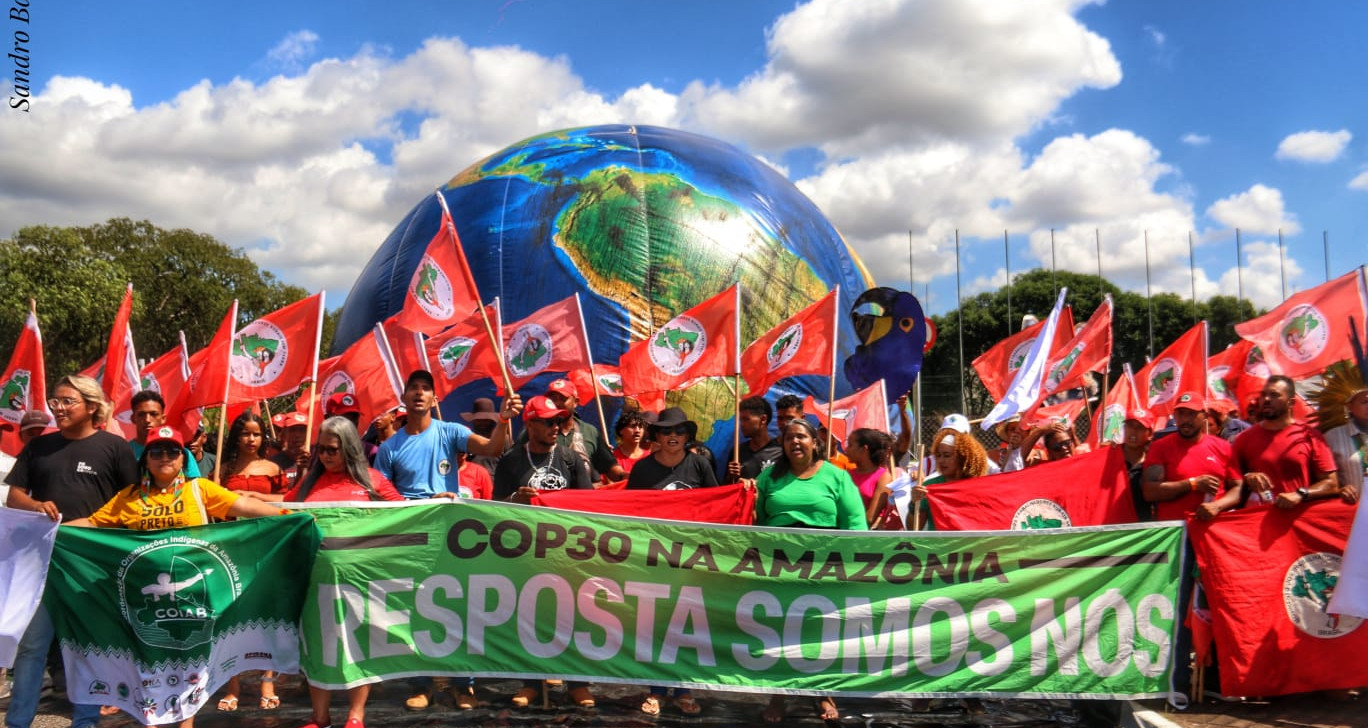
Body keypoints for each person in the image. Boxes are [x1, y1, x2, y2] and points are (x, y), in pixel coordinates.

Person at [63, 425, 281, 727]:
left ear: (182, 458)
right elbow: (93, 522)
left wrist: (286, 517)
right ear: (146, 459)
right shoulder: (129, 497)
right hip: (145, 601)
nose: (164, 456)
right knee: (151, 666)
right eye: (156, 451)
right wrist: (51, 532)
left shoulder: (199, 489)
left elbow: (242, 505)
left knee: (190, 666)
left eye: (172, 451)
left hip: (195, 598)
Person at [376, 369, 520, 710]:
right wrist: (422, 504)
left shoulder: (450, 431)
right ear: (404, 397)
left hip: (452, 538)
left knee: (458, 605)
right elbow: (379, 495)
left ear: (434, 399)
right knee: (416, 609)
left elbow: (493, 447)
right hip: (411, 536)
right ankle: (422, 684)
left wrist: (504, 419)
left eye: (426, 388)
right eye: (414, 388)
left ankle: (463, 685)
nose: (420, 393)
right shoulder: (389, 447)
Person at [3, 375, 140, 728]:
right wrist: (35, 506)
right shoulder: (38, 447)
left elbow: (133, 503)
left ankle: (85, 722)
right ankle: (18, 723)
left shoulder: (114, 447)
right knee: (32, 647)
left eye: (67, 401)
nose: (58, 408)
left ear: (91, 407)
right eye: (55, 401)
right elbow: (13, 495)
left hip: (90, 567)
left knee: (85, 649)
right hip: (41, 565)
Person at [281, 417, 402, 728]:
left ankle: (355, 716)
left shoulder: (373, 482)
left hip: (361, 582)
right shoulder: (308, 483)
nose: (325, 455)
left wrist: (438, 503)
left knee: (360, 642)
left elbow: (407, 514)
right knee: (317, 645)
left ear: (349, 448)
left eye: (332, 449)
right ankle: (319, 717)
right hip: (314, 581)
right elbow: (283, 512)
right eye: (321, 449)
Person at [754, 417, 866, 723]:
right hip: (781, 566)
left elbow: (855, 523)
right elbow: (759, 522)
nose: (795, 442)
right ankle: (779, 695)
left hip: (825, 566)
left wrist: (852, 565)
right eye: (789, 437)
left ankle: (823, 694)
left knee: (820, 630)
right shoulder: (769, 479)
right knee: (782, 630)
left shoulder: (836, 476)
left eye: (801, 437)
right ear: (783, 444)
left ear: (815, 442)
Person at [493, 395, 597, 709]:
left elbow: (590, 505)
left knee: (573, 616)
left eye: (558, 421)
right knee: (531, 616)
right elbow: (495, 508)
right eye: (549, 421)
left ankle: (577, 683)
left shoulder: (570, 459)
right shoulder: (511, 460)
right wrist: (516, 498)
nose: (556, 427)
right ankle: (532, 683)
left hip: (568, 552)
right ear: (531, 424)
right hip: (527, 552)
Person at [1232, 376, 1339, 509]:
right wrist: (1248, 477)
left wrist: (1301, 494)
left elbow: (1331, 483)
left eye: (1274, 395)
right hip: (1257, 523)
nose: (1266, 399)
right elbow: (1230, 484)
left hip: (1298, 521)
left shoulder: (1310, 436)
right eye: (1263, 394)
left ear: (1291, 402)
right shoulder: (1244, 438)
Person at [1143, 392, 1243, 522]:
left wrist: (1217, 506)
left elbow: (1238, 487)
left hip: (1212, 530)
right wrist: (1192, 484)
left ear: (1204, 416)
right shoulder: (1159, 447)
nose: (1185, 420)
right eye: (1181, 413)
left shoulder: (1223, 447)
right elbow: (1149, 492)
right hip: (1175, 533)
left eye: (1191, 414)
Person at [911, 426, 991, 531]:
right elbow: (914, 529)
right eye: (938, 456)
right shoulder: (929, 487)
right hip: (939, 545)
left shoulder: (980, 487)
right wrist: (914, 504)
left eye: (947, 455)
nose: (941, 460)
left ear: (963, 457)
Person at [542, 378, 621, 480]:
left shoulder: (590, 432)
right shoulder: (536, 431)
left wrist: (630, 476)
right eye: (553, 399)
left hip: (584, 494)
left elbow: (611, 468)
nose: (557, 403)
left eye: (563, 399)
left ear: (576, 402)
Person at [627, 407, 718, 491]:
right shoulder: (641, 468)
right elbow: (632, 503)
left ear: (686, 436)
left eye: (680, 431)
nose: (673, 435)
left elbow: (714, 499)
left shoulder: (700, 464)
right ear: (657, 436)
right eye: (666, 430)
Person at [129, 390, 201, 477]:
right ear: (133, 418)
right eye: (141, 414)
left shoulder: (181, 453)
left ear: (163, 418)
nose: (147, 420)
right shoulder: (124, 452)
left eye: (153, 414)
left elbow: (195, 486)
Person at [1323, 385, 1368, 505]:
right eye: (1364, 401)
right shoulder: (1332, 437)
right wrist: (1340, 490)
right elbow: (1324, 480)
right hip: (1354, 513)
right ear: (1349, 406)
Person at [723, 396, 783, 484]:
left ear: (763, 419)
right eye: (741, 420)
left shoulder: (780, 453)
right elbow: (726, 488)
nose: (742, 424)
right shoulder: (737, 452)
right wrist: (730, 477)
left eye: (746, 419)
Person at [846, 428, 896, 528]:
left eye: (850, 445)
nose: (846, 449)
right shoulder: (845, 475)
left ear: (864, 449)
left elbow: (870, 518)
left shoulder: (884, 477)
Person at [1120, 408, 1157, 521]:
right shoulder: (1108, 459)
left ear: (1150, 434)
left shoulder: (1154, 464)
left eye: (1139, 427)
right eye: (1130, 425)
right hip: (1112, 529)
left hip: (1142, 530)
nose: (1133, 431)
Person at [460, 397, 505, 475]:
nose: (482, 424)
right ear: (473, 421)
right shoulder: (468, 440)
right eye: (479, 420)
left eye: (486, 420)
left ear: (492, 421)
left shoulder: (503, 440)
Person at [269, 411, 310, 491]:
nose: (297, 435)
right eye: (293, 430)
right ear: (284, 434)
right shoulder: (273, 464)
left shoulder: (317, 460)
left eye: (302, 430)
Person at [609, 409, 651, 478]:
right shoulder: (613, 460)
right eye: (632, 426)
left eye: (640, 427)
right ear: (621, 430)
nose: (637, 430)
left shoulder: (651, 458)